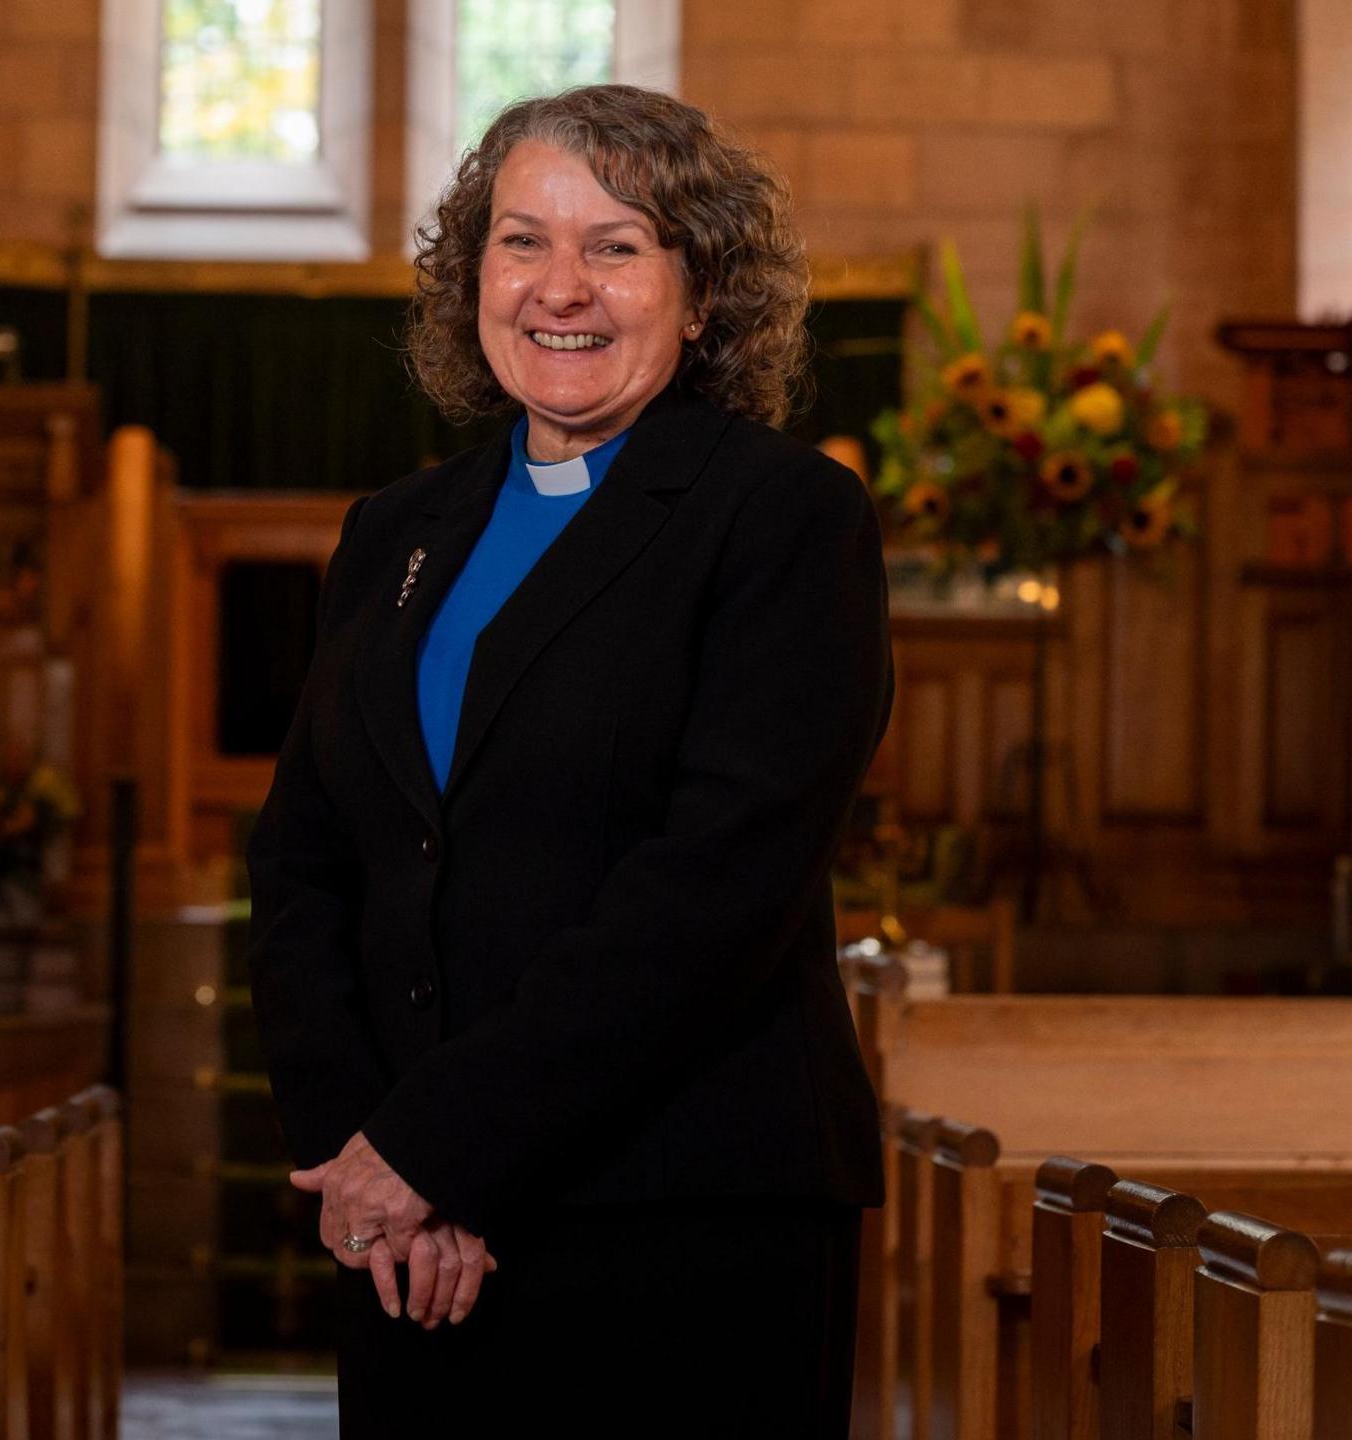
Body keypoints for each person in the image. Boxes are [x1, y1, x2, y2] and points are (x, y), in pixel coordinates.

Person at [245, 82, 894, 1437]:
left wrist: (438, 1150)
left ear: (703, 294)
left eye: (617, 246)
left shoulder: (782, 519)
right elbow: (307, 862)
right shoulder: (395, 531)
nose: (562, 288)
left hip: (679, 1218)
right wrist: (361, 1156)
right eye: (522, 242)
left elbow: (716, 893)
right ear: (470, 279)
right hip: (404, 1250)